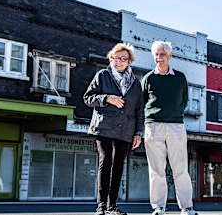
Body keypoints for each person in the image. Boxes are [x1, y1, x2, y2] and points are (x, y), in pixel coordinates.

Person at [84, 43, 144, 215]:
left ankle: (112, 206)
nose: (119, 61)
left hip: (126, 130)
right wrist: (106, 98)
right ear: (111, 59)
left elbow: (139, 111)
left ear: (129, 61)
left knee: (118, 166)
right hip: (104, 127)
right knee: (106, 160)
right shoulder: (102, 75)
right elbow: (88, 98)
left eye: (123, 58)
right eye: (116, 58)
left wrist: (138, 133)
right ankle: (101, 205)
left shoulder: (136, 84)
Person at [141, 41, 198, 215]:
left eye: (162, 54)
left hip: (176, 126)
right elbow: (142, 102)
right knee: (156, 170)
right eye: (156, 54)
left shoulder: (180, 77)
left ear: (170, 56)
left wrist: (174, 114)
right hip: (153, 125)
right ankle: (159, 207)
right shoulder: (148, 78)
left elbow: (184, 100)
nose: (159, 58)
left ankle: (186, 207)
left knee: (180, 168)